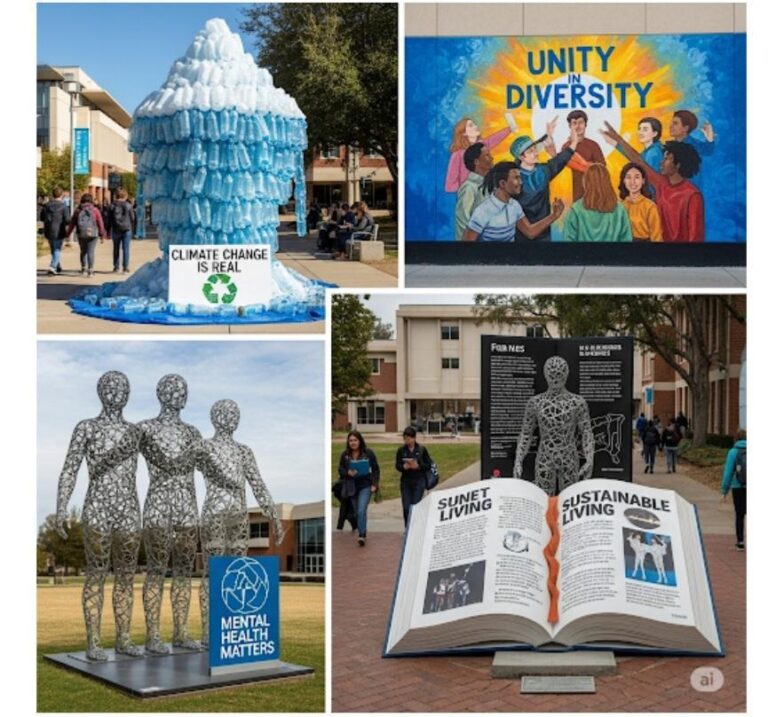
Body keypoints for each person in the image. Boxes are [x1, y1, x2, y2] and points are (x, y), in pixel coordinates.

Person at [54, 371, 142, 660]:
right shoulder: (87, 428)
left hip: (129, 508)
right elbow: (70, 468)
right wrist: (61, 506)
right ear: (101, 392)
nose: (118, 393)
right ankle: (93, 641)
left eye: (123, 388)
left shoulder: (136, 432)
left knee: (126, 577)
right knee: (96, 575)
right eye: (112, 388)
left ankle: (124, 639)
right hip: (99, 507)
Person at [197, 399, 284, 645]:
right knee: (212, 572)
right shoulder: (204, 447)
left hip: (239, 516)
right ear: (215, 418)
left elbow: (257, 484)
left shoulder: (244, 451)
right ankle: (208, 630)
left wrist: (274, 516)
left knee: (238, 573)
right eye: (225, 414)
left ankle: (231, 627)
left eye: (234, 414)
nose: (231, 418)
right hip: (215, 512)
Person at [138, 375, 202, 653]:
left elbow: (205, 469)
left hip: (187, 507)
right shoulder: (144, 429)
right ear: (159, 394)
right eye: (172, 391)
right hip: (159, 505)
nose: (178, 396)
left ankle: (181, 632)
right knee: (156, 570)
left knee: (184, 573)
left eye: (182, 392)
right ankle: (153, 635)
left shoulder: (193, 433)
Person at [602, 123, 704, 242]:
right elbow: (639, 161)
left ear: (678, 164)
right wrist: (619, 140)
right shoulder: (662, 184)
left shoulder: (692, 195)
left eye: (666, 159)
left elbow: (696, 236)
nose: (661, 162)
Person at [511, 115, 578, 241]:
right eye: (530, 151)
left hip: (544, 232)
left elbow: (561, 159)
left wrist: (574, 142)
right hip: (522, 234)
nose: (536, 153)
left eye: (535, 149)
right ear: (521, 157)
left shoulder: (543, 170)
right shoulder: (513, 177)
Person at [463, 162, 564, 242]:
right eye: (516, 178)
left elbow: (530, 232)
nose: (521, 182)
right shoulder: (482, 211)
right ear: (502, 183)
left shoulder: (514, 206)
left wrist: (554, 215)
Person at [445, 113, 516, 192]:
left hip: (486, 189)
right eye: (471, 125)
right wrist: (467, 187)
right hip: (471, 193)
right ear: (463, 133)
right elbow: (450, 185)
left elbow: (494, 139)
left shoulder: (482, 145)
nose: (475, 126)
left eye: (475, 124)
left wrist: (509, 129)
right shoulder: (457, 155)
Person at [563, 164, 633, 242]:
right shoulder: (620, 210)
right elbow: (627, 240)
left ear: (585, 182)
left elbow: (568, 241)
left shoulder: (575, 210)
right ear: (607, 182)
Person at [547, 109, 605, 201]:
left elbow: (602, 169)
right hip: (576, 190)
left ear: (586, 124)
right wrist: (586, 165)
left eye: (580, 122)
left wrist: (583, 163)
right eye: (574, 123)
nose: (578, 126)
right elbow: (565, 165)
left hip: (595, 189)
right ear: (570, 126)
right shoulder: (566, 146)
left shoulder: (593, 145)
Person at [337, 431, 380, 546]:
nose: (353, 443)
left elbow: (375, 469)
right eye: (350, 440)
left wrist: (374, 484)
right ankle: (363, 530)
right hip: (351, 487)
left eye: (355, 440)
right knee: (357, 513)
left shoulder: (368, 453)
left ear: (360, 441)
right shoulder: (345, 455)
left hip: (365, 485)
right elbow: (340, 470)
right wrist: (347, 472)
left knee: (361, 510)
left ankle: (362, 535)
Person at [454, 142, 493, 242]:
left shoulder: (490, 185)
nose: (492, 158)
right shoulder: (469, 187)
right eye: (487, 155)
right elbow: (463, 220)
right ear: (476, 162)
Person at [669, 109, 715, 189]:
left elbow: (708, 150)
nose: (670, 126)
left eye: (675, 123)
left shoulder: (693, 145)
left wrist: (710, 139)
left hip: (689, 189)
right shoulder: (670, 146)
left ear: (685, 128)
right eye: (672, 123)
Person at [396, 426, 432, 526]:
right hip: (406, 481)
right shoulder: (401, 450)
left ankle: (415, 528)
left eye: (409, 438)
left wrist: (418, 466)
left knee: (415, 506)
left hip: (419, 481)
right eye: (405, 438)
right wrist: (403, 467)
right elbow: (397, 465)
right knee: (406, 507)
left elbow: (428, 465)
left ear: (414, 438)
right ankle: (407, 528)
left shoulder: (422, 449)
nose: (407, 441)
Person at [618, 162, 663, 242]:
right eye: (628, 177)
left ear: (643, 181)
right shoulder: (621, 206)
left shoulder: (650, 206)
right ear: (624, 181)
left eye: (637, 177)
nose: (633, 182)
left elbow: (657, 237)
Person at [66, 193, 106, 277]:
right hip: (93, 234)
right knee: (90, 252)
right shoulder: (95, 210)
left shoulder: (78, 211)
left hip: (81, 234)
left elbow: (72, 224)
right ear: (91, 201)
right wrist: (102, 235)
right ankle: (91, 270)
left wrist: (68, 234)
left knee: (83, 252)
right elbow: (100, 223)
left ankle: (83, 269)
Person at [721, 430, 746, 551]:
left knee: (739, 515)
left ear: (736, 439)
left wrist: (724, 490)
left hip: (738, 487)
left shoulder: (733, 452)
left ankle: (740, 542)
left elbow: (728, 472)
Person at [40, 187, 70, 275]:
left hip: (48, 230)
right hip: (59, 230)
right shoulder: (63, 206)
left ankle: (57, 265)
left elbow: (41, 217)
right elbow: (67, 219)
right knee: (57, 249)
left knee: (53, 249)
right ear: (61, 195)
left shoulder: (46, 205)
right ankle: (53, 266)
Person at [109, 188, 136, 273]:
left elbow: (108, 218)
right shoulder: (129, 205)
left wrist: (108, 229)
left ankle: (116, 267)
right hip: (127, 229)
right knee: (126, 248)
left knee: (116, 248)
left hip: (115, 229)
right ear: (125, 195)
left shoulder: (112, 205)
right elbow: (133, 218)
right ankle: (125, 267)